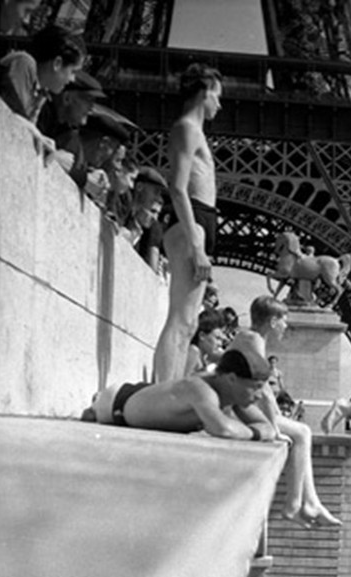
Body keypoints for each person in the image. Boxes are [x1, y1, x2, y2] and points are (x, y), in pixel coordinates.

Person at [230, 296, 341, 527]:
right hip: (235, 409)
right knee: (302, 433)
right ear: (272, 321)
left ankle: (308, 502)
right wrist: (273, 426)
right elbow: (264, 391)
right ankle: (294, 504)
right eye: (284, 320)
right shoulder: (254, 340)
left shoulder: (248, 337)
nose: (286, 326)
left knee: (302, 432)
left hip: (237, 405)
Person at [153, 63, 222, 382]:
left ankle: (169, 391)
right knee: (181, 320)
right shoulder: (187, 128)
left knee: (189, 323)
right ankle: (161, 395)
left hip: (199, 219)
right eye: (217, 96)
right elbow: (177, 187)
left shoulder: (194, 131)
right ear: (204, 91)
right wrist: (197, 245)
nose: (219, 104)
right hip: (191, 221)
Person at [83, 344, 279, 441]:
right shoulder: (201, 389)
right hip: (116, 403)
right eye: (256, 387)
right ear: (231, 378)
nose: (260, 395)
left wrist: (253, 431)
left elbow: (268, 428)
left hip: (145, 397)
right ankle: (95, 406)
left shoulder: (232, 394)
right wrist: (255, 434)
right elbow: (224, 430)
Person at [0, 23, 84, 125]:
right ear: (57, 63)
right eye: (72, 72)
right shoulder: (23, 63)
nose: (72, 79)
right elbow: (14, 115)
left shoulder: (42, 91)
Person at [185, 307, 226, 375]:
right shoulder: (193, 352)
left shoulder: (202, 356)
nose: (220, 344)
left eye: (221, 340)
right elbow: (182, 381)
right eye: (217, 338)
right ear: (202, 336)